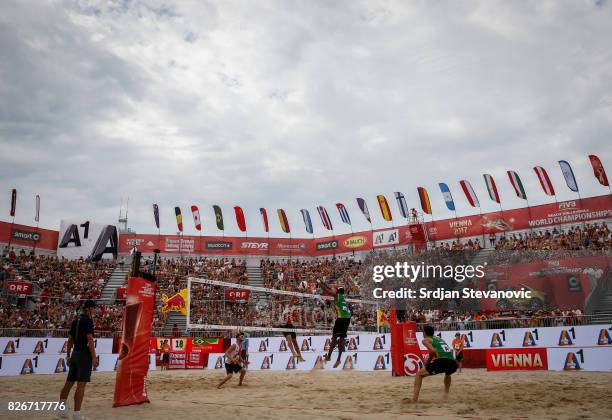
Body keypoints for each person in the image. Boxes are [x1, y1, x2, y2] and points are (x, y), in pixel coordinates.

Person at [58, 299, 99, 419]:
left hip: (75, 353)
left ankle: (61, 411)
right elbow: (90, 339)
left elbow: (70, 340)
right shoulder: (88, 321)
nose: (95, 310)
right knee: (81, 385)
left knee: (69, 383)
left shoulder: (76, 321)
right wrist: (94, 357)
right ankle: (76, 414)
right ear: (89, 309)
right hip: (84, 355)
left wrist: (68, 355)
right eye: (94, 308)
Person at [412, 325, 457, 403]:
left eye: (423, 331)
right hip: (453, 362)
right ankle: (446, 394)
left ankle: (414, 399)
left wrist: (428, 362)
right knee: (447, 373)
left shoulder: (425, 340)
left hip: (442, 361)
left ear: (425, 333)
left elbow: (432, 351)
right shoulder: (440, 339)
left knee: (419, 374)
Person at [319, 280, 351, 368]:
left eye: (335, 290)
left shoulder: (337, 295)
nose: (334, 291)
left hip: (341, 319)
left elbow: (327, 290)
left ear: (337, 291)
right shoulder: (343, 296)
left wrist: (319, 283)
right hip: (347, 318)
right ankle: (338, 359)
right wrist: (323, 283)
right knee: (341, 339)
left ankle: (329, 356)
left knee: (334, 338)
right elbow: (329, 288)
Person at [280, 297, 305, 362]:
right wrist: (295, 295)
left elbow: (296, 318)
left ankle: (300, 357)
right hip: (284, 325)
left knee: (295, 342)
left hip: (290, 325)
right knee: (289, 338)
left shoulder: (296, 310)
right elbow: (292, 299)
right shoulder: (289, 307)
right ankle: (293, 353)